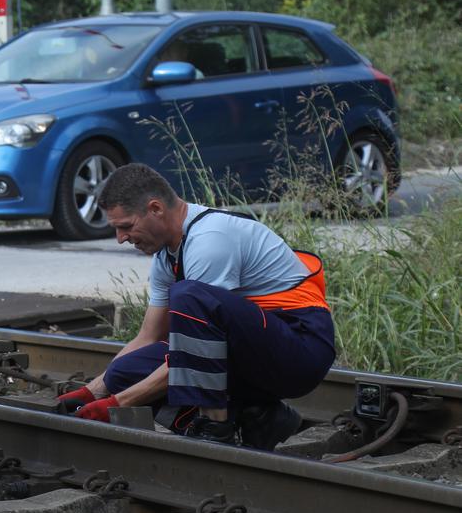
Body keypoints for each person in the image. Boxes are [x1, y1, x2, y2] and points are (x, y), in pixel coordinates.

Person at [57, 163, 333, 449]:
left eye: (126, 226)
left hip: (300, 350)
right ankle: (261, 415)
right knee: (125, 372)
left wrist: (116, 404)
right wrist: (92, 392)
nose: (121, 238)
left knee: (190, 297)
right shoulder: (167, 255)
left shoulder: (209, 241)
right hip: (257, 350)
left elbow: (191, 352)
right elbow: (147, 338)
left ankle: (215, 426)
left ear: (155, 209)